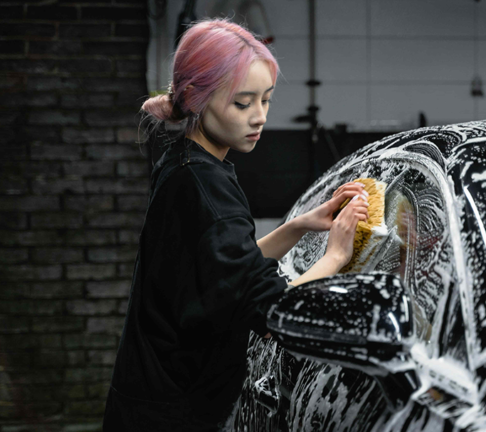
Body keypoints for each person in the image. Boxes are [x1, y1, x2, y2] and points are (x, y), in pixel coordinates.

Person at [102, 18, 369, 431]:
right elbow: (274, 313)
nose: (259, 117)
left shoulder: (186, 162)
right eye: (243, 104)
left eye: (266, 100)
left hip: (146, 398)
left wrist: (298, 226)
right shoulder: (207, 187)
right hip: (172, 414)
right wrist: (336, 254)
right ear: (196, 98)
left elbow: (225, 275)